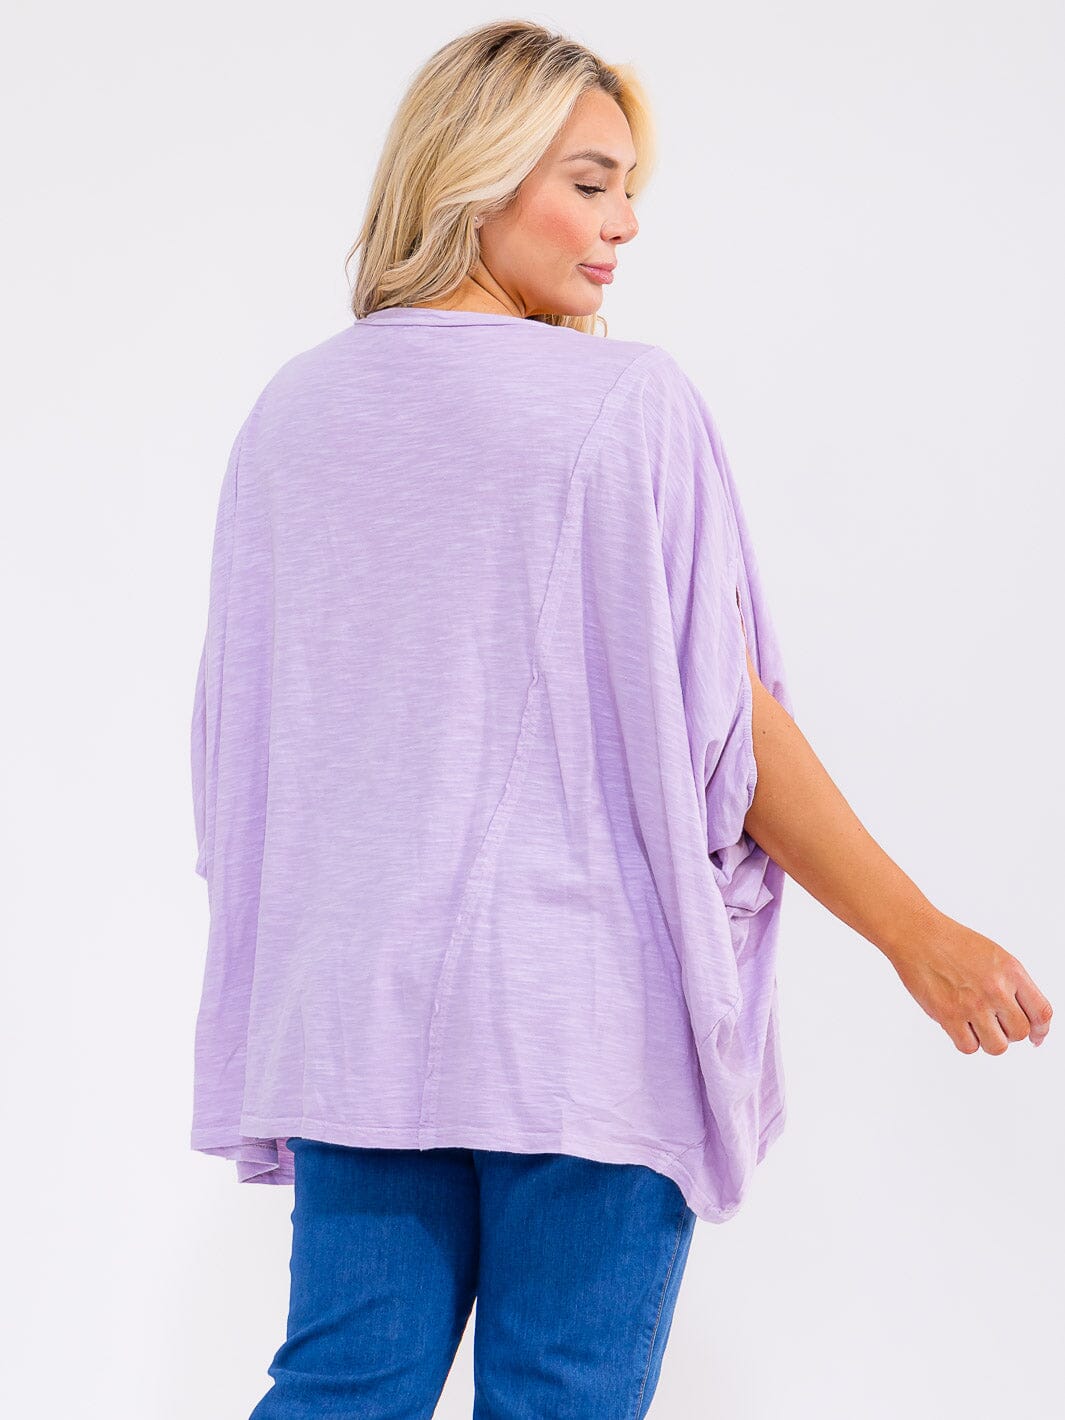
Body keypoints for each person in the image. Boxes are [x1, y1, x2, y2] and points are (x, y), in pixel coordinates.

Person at [187, 19, 1053, 1419]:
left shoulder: (292, 413)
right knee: (564, 1398)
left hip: (350, 1014)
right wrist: (916, 933)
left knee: (340, 1389)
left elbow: (242, 754)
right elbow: (726, 729)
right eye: (589, 183)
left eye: (627, 188)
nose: (625, 224)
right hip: (577, 1019)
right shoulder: (623, 400)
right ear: (475, 173)